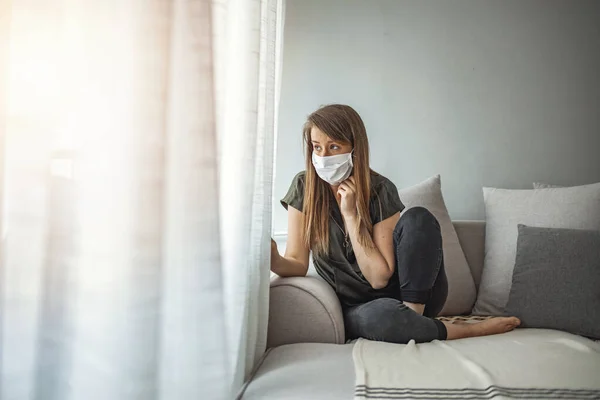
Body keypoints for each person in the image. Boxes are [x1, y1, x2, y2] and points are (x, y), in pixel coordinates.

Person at [270, 104, 520, 344]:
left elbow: (379, 278)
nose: (323, 157)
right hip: (360, 308)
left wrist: (351, 217)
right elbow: (297, 262)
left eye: (334, 147)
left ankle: (414, 320)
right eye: (317, 147)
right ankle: (460, 330)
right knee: (381, 316)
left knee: (419, 217)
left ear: (355, 148)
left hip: (413, 295)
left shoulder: (380, 189)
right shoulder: (305, 188)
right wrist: (273, 259)